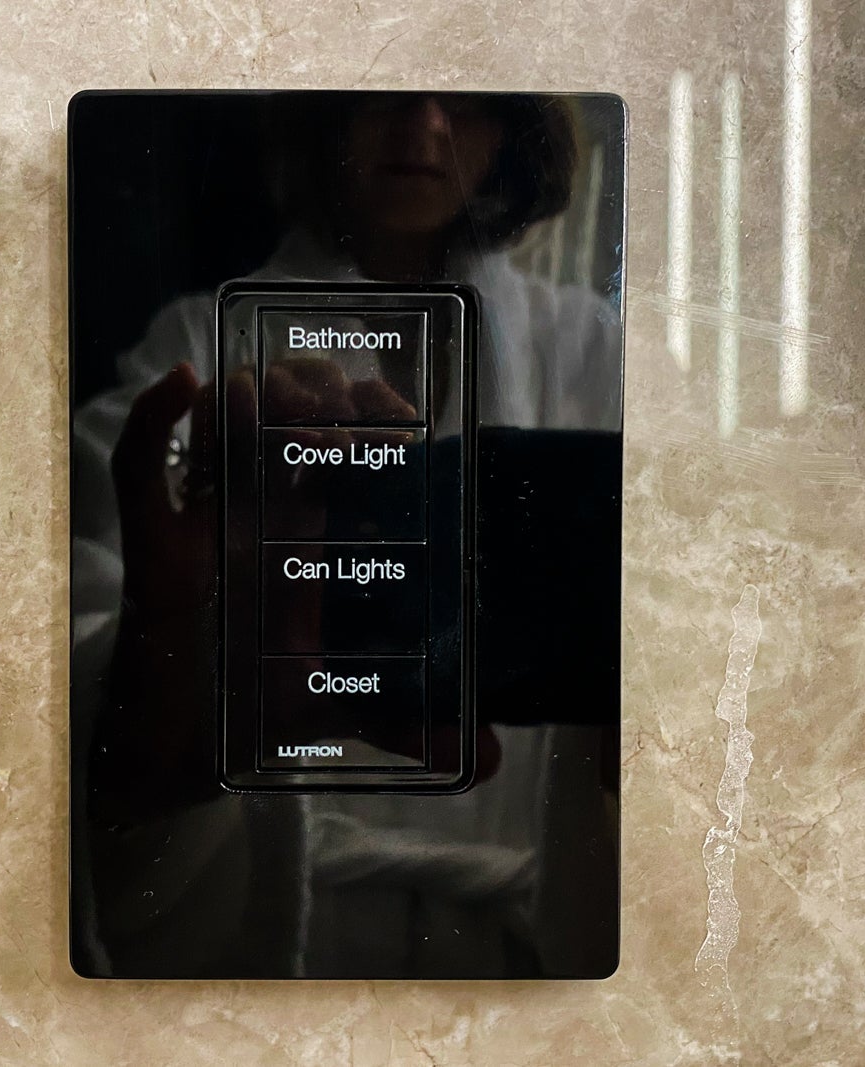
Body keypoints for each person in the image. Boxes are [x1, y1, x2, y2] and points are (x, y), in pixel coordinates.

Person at [72, 93, 621, 974]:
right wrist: (162, 675)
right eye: (384, 95)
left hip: (525, 947)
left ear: (513, 127)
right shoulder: (200, 342)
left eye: (467, 100)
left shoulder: (594, 347)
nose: (424, 125)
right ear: (324, 114)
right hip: (271, 945)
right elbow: (74, 621)